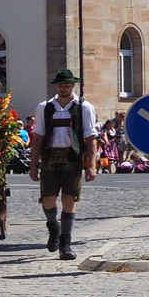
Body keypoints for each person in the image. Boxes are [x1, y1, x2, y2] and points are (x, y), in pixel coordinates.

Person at [28, 68, 98, 260]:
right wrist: (33, 165)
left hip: (73, 156)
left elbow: (91, 138)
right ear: (56, 86)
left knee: (69, 199)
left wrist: (91, 165)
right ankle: (53, 228)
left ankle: (65, 243)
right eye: (60, 85)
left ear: (72, 86)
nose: (63, 88)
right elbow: (38, 137)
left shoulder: (84, 107)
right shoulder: (44, 107)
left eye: (67, 85)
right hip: (50, 156)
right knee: (48, 198)